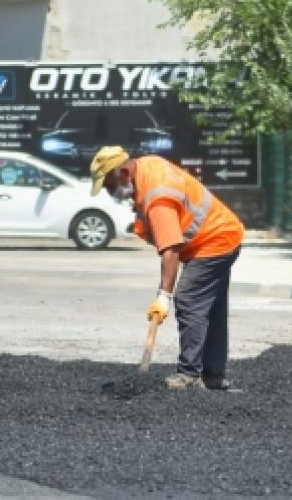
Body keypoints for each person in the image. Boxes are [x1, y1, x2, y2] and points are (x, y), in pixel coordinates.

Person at [90, 146, 245, 391]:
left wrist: (164, 296)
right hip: (222, 235)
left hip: (214, 240)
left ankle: (189, 375)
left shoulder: (157, 195)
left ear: (122, 172)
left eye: (109, 186)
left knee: (188, 299)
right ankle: (214, 375)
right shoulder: (146, 167)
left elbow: (170, 248)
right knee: (211, 308)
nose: (111, 193)